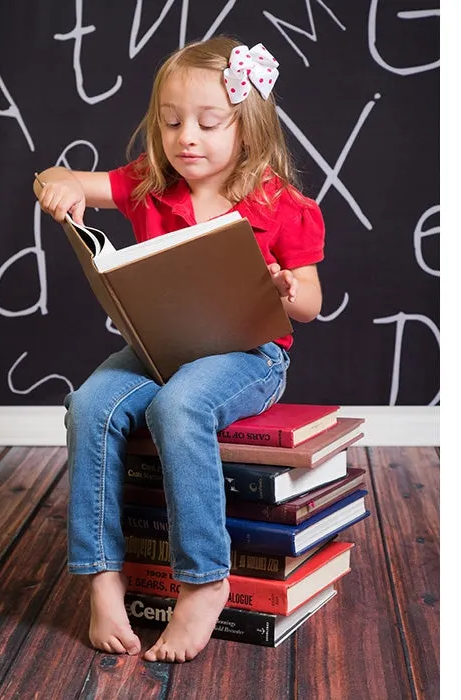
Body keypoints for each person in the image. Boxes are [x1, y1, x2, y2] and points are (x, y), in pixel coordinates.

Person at [33, 36, 325, 663]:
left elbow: (309, 303)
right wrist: (57, 188)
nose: (185, 136)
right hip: (160, 347)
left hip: (249, 355)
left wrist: (284, 287)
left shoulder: (280, 205)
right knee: (89, 405)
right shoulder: (148, 184)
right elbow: (61, 177)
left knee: (178, 409)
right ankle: (101, 574)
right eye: (170, 122)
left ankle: (204, 579)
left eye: (207, 122)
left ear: (246, 127)